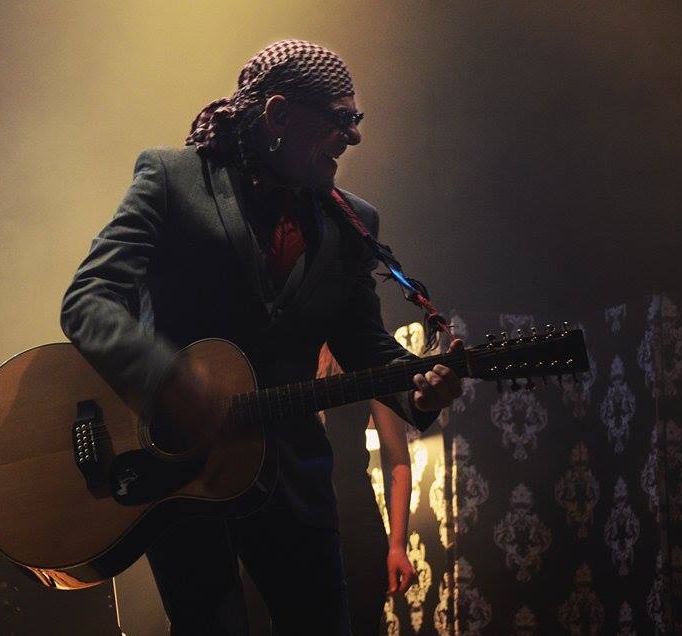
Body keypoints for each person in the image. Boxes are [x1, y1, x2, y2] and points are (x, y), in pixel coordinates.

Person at [60, 40, 462, 634]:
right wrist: (169, 383)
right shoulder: (173, 178)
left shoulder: (352, 221)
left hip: (294, 484)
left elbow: (363, 344)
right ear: (279, 115)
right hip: (181, 480)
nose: (354, 137)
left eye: (357, 119)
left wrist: (417, 390)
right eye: (340, 119)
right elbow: (87, 299)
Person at [317, 345, 415, 635]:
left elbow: (398, 459)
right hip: (294, 520)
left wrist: (397, 545)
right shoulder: (281, 350)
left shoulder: (362, 353)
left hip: (355, 523)